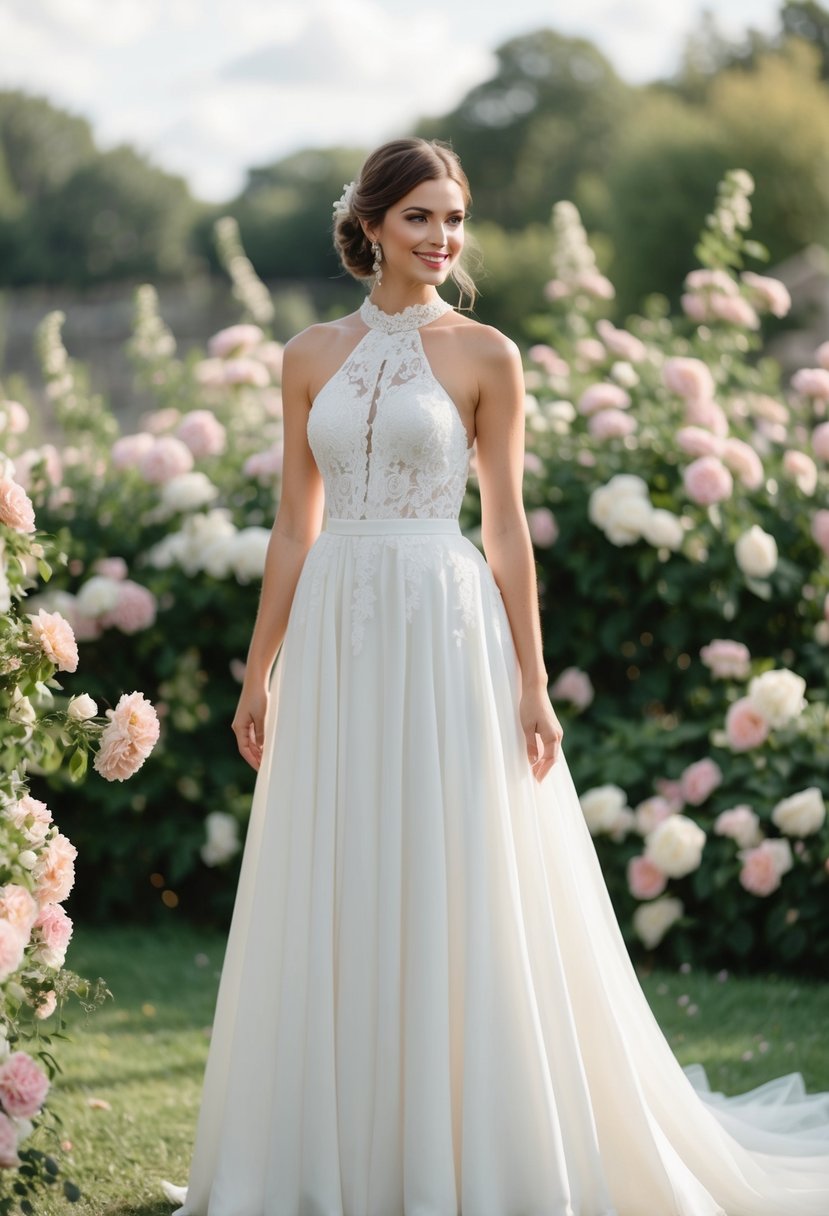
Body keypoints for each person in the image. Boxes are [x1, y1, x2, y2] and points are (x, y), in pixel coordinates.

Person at [164, 137, 829, 1216]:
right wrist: (260, 669)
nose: (442, 238)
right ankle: (339, 1154)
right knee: (340, 858)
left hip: (444, 621)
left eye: (454, 219)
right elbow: (295, 523)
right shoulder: (306, 355)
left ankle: (462, 1144)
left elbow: (509, 532)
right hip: (337, 623)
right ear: (370, 223)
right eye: (420, 216)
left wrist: (531, 678)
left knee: (449, 856)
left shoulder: (487, 356)